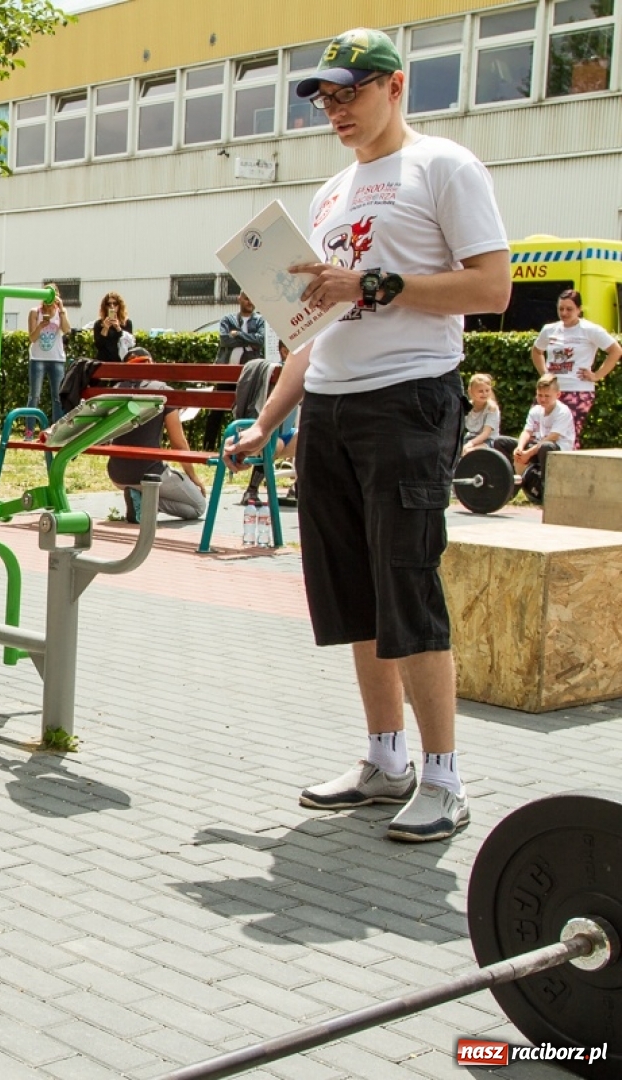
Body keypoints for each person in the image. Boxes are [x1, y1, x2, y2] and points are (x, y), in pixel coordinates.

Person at [226, 27, 510, 843]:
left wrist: (373, 283)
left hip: (410, 399)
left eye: (348, 93)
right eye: (323, 98)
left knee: (407, 589)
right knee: (354, 594)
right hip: (334, 407)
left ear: (395, 86)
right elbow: (312, 331)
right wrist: (268, 421)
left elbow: (492, 288)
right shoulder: (328, 195)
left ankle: (446, 778)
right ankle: (386, 763)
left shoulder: (444, 167)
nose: (334, 110)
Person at [107, 347, 207, 523]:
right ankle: (149, 504)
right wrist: (193, 477)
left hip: (118, 474)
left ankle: (139, 499)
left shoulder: (115, 390)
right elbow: (179, 443)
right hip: (149, 472)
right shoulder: (163, 391)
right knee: (198, 507)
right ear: (151, 364)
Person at [531, 289, 619, 447]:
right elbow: (537, 351)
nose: (564, 313)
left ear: (579, 309)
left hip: (578, 391)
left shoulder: (590, 330)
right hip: (550, 390)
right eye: (561, 309)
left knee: (566, 435)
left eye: (569, 309)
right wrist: (544, 373)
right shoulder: (549, 329)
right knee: (538, 432)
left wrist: (597, 375)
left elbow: (615, 351)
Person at [210, 292, 268, 449]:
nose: (250, 302)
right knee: (216, 410)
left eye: (253, 298)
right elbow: (224, 339)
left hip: (248, 375)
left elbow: (261, 341)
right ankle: (208, 446)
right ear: (239, 299)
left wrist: (238, 334)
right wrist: (249, 339)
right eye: (247, 298)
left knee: (245, 409)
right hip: (227, 373)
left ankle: (243, 444)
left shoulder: (260, 320)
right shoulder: (228, 319)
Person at [511, 374, 574, 494]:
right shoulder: (536, 410)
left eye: (547, 396)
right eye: (540, 395)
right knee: (502, 442)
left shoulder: (563, 412)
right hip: (538, 446)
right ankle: (510, 483)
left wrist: (528, 453)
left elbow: (552, 438)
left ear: (558, 395)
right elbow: (527, 431)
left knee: (546, 446)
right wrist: (519, 448)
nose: (543, 399)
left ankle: (545, 486)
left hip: (558, 449)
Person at [26, 287, 69, 433]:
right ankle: (29, 431)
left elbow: (67, 330)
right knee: (34, 396)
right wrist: (40, 326)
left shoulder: (60, 312)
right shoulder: (35, 312)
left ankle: (56, 432)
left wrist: (61, 310)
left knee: (57, 397)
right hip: (37, 358)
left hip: (57, 359)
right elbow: (32, 338)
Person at [461, 373, 501, 453]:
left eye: (487, 390)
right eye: (480, 391)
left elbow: (486, 433)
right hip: (470, 437)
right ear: (471, 391)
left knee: (470, 452)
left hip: (488, 440)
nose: (484, 394)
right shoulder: (468, 406)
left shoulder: (492, 409)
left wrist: (471, 443)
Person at [91, 292, 132, 362]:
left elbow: (130, 344)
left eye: (115, 304)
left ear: (119, 306)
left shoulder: (126, 323)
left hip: (121, 362)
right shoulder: (99, 324)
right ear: (105, 306)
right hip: (103, 362)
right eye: (108, 304)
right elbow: (98, 345)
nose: (112, 306)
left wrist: (118, 328)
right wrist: (105, 328)